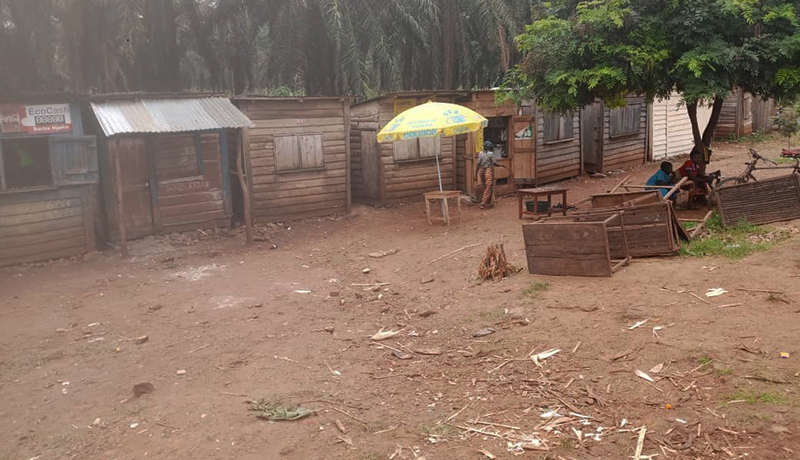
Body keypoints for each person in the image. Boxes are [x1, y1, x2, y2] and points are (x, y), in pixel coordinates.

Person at [475, 141, 506, 209]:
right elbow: (494, 163)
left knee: (485, 186)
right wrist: (501, 165)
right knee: (489, 187)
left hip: (481, 171)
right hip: (488, 171)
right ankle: (483, 203)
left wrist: (475, 174)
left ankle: (490, 201)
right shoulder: (490, 154)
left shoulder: (480, 153)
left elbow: (478, 164)